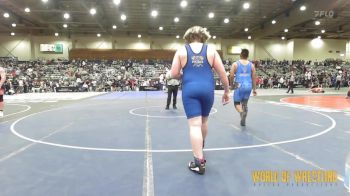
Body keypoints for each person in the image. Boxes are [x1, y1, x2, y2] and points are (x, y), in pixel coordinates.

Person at [168, 26, 230, 174]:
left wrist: (184, 74)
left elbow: (173, 74)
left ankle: (199, 162)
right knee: (204, 122)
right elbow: (222, 74)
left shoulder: (181, 51)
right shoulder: (211, 51)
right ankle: (200, 146)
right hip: (207, 90)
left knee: (194, 125)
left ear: (188, 37)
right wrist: (227, 91)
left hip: (190, 90)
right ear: (203, 37)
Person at [229, 49, 257, 126]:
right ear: (247, 56)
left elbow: (231, 75)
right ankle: (243, 120)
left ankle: (241, 113)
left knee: (236, 103)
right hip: (248, 85)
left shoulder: (235, 64)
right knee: (244, 104)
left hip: (239, 84)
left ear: (240, 55)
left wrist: (231, 85)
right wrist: (254, 89)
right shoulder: (251, 65)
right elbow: (254, 77)